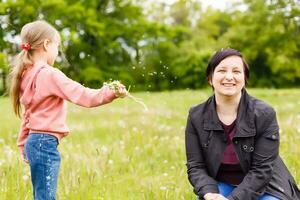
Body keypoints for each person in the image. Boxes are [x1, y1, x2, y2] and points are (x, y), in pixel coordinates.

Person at [9, 20, 128, 200]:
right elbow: (84, 96)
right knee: (46, 197)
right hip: (44, 143)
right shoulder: (50, 74)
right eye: (57, 46)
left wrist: (22, 143)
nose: (57, 52)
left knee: (41, 196)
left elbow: (28, 114)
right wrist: (110, 92)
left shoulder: (27, 74)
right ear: (46, 45)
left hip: (34, 142)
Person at [185, 48, 300, 200]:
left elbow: (262, 170)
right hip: (221, 184)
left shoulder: (264, 113)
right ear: (210, 78)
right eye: (222, 70)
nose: (229, 77)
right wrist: (209, 193)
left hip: (266, 187)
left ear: (244, 78)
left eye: (236, 71)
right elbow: (196, 166)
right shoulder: (196, 116)